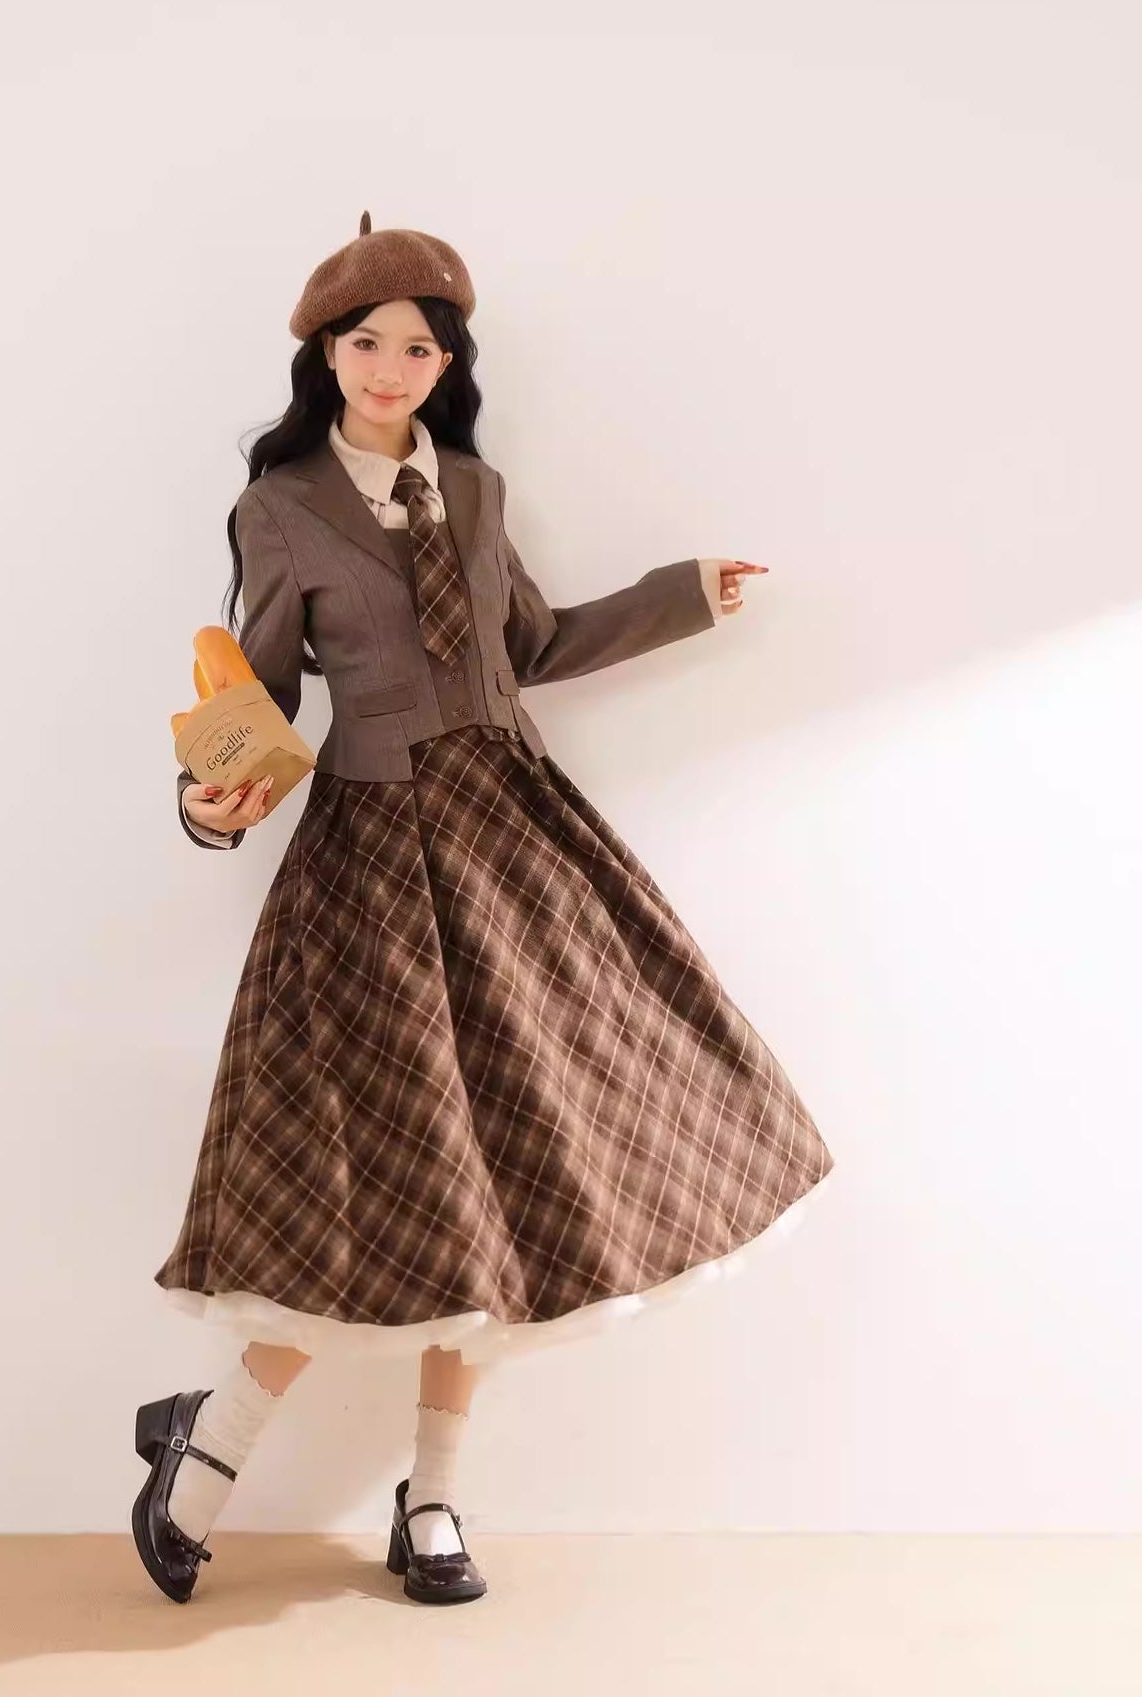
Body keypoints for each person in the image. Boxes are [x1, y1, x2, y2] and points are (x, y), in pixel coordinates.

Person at [133, 212, 837, 1607]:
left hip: (513, 839)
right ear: (324, 355)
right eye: (366, 342)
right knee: (364, 1177)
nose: (390, 366)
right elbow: (259, 691)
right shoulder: (282, 505)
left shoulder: (472, 486)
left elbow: (532, 644)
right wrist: (208, 801)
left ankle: (436, 1493)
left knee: (508, 1170)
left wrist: (684, 597)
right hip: (374, 862)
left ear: (447, 364)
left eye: (419, 346)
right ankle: (205, 1454)